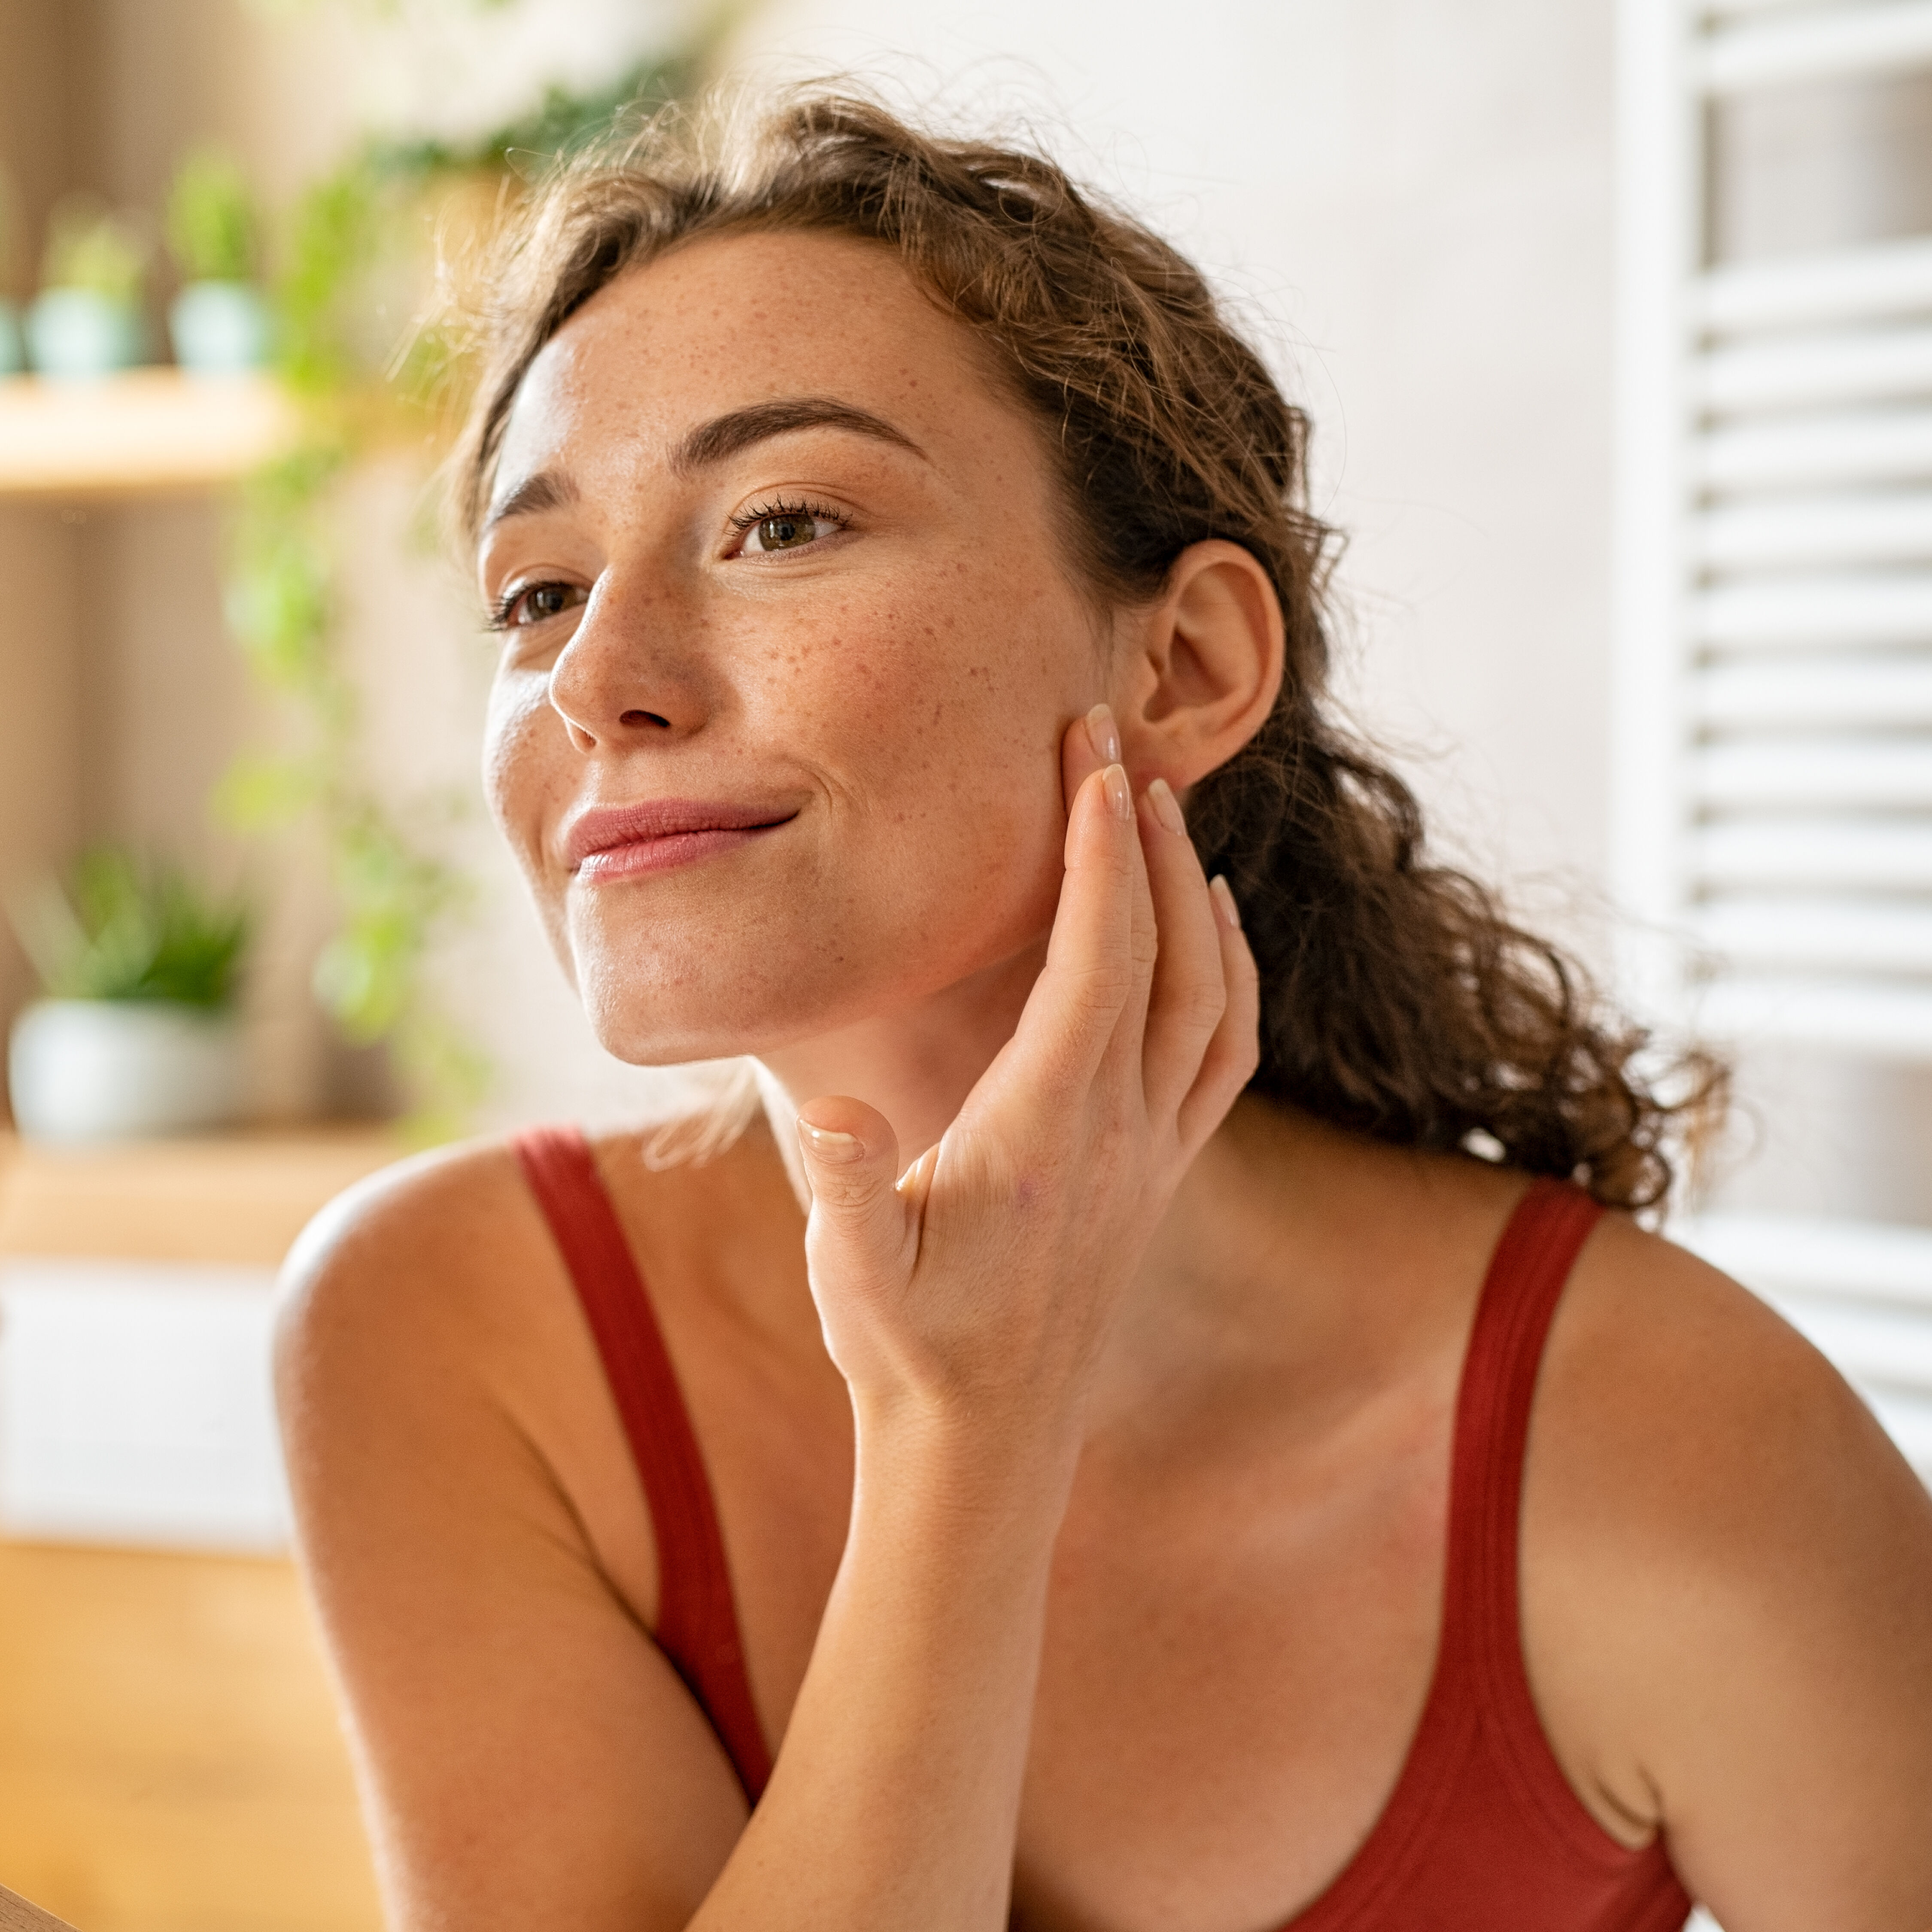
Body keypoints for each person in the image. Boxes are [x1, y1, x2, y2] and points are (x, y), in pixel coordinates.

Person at [276, 88, 1932, 1932]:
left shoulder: (1678, 1443)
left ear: (1188, 663)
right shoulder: (451, 1335)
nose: (599, 677)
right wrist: (966, 1431)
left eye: (784, 522)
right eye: (539, 590)